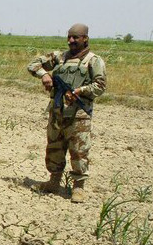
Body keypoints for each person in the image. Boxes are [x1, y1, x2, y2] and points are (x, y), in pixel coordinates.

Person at [27, 23, 106, 203]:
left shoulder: (94, 61)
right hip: (57, 112)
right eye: (69, 37)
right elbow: (32, 65)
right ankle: (54, 182)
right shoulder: (59, 57)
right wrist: (44, 75)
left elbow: (100, 86)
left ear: (85, 38)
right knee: (54, 146)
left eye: (75, 37)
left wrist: (80, 91)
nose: (71, 40)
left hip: (79, 113)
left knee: (79, 150)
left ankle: (78, 188)